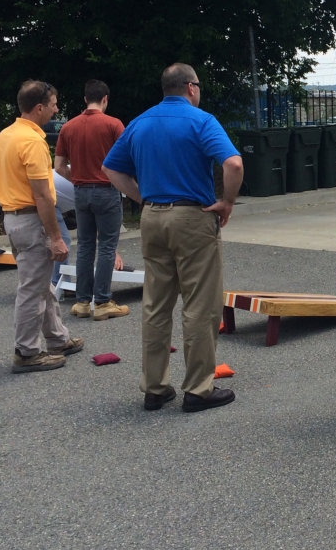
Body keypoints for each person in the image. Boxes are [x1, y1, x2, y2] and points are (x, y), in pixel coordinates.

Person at [102, 64, 243, 413]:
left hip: (152, 216)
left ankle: (154, 387)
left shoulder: (140, 123)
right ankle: (198, 389)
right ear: (191, 88)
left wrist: (142, 199)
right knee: (200, 304)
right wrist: (226, 202)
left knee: (156, 304)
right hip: (192, 217)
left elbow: (111, 168)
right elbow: (234, 164)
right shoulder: (201, 121)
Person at [0, 81, 83, 373]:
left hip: (14, 218)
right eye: (54, 104)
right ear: (39, 107)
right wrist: (56, 238)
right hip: (32, 220)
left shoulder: (7, 134)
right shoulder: (32, 141)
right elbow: (42, 194)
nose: (57, 109)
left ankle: (58, 338)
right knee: (32, 289)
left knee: (42, 283)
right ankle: (27, 352)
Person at [54, 79, 128, 321]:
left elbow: (59, 166)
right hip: (107, 190)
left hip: (80, 191)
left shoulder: (68, 127)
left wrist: (76, 178)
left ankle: (83, 301)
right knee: (107, 246)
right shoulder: (113, 124)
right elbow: (127, 160)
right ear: (105, 99)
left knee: (85, 245)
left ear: (85, 99)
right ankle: (103, 301)